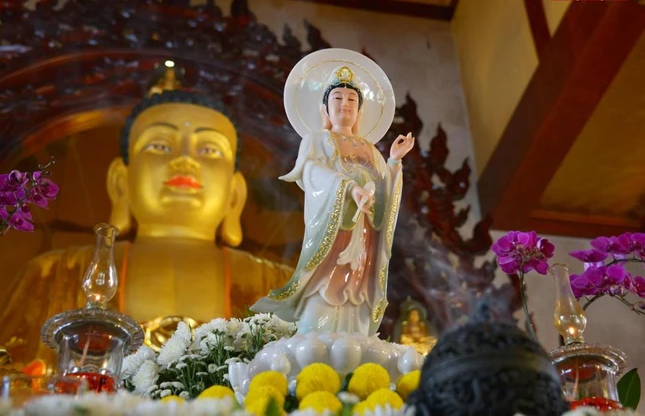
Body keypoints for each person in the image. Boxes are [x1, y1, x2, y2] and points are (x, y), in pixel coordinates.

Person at [0, 90, 293, 367]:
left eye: (209, 149)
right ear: (120, 182)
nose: (185, 160)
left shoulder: (281, 285)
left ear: (235, 193)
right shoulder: (53, 275)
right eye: (160, 146)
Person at [252, 51, 414, 336]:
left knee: (358, 284)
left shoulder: (371, 149)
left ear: (360, 111)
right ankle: (316, 328)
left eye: (352, 100)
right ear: (325, 109)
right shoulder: (318, 139)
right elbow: (311, 171)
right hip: (333, 225)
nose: (345, 104)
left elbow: (385, 192)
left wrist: (393, 162)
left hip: (363, 232)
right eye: (337, 98)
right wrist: (349, 188)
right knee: (326, 283)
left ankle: (357, 333)